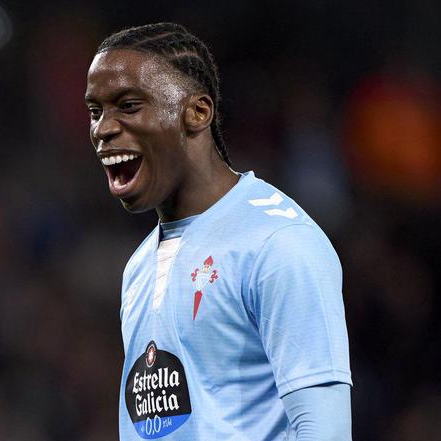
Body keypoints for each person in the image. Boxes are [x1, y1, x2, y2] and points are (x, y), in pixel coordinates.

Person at [84, 23, 352, 440]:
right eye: (95, 112)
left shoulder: (278, 242)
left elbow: (325, 430)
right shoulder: (138, 265)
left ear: (197, 113)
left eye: (129, 106)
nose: (103, 129)